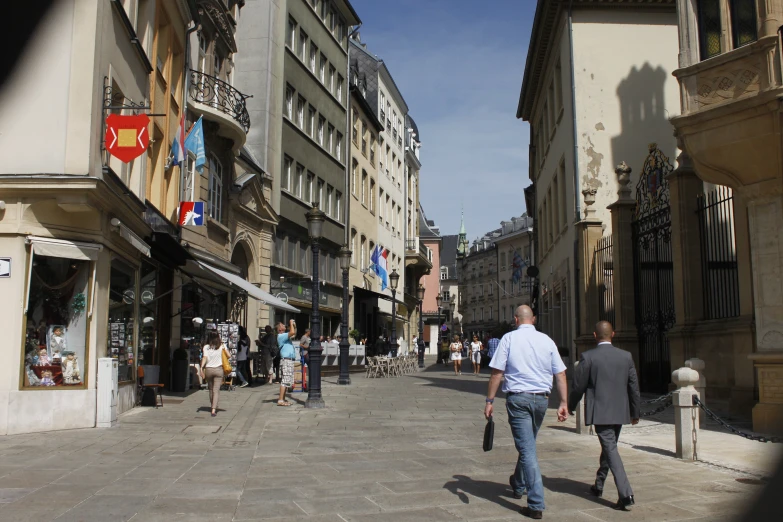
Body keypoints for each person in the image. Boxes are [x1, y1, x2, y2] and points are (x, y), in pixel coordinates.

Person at [485, 305, 568, 520]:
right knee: (528, 443)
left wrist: (489, 400)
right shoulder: (547, 340)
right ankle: (519, 483)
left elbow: (497, 372)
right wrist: (564, 402)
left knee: (528, 450)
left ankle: (536, 503)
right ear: (534, 319)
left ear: (515, 319)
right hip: (541, 399)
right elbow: (560, 373)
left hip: (518, 399)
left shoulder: (509, 339)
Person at [568, 321, 641, 512]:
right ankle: (599, 484)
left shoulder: (588, 357)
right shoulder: (626, 356)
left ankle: (625, 494)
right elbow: (633, 386)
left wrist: (570, 405)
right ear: (613, 334)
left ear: (594, 335)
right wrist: (635, 412)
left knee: (611, 450)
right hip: (620, 411)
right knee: (610, 448)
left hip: (600, 411)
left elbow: (578, 386)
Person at [200, 331, 230, 417]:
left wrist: (201, 368)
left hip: (209, 369)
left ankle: (212, 405)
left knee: (210, 389)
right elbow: (229, 356)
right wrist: (224, 348)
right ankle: (214, 409)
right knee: (216, 390)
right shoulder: (221, 345)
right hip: (219, 369)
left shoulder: (206, 347)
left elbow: (204, 358)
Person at [277, 320, 296, 406]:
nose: (284, 325)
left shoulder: (285, 336)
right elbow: (292, 332)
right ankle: (280, 400)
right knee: (285, 380)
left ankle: (283, 399)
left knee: (287, 379)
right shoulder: (281, 336)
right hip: (286, 360)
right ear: (279, 329)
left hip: (289, 360)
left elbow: (293, 333)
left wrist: (294, 325)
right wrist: (291, 323)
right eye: (282, 324)